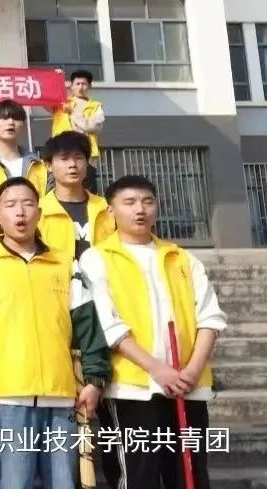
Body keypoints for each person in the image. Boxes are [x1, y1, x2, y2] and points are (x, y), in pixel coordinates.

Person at [0, 177, 110, 489]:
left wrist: (94, 379)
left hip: (62, 396)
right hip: (4, 398)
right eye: (11, 205)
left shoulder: (65, 264)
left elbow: (87, 326)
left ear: (39, 213)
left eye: (27, 204)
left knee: (64, 483)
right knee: (13, 483)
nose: (20, 212)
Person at [81, 175, 227, 489]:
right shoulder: (96, 258)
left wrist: (191, 370)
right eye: (130, 202)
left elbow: (210, 318)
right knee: (138, 476)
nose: (140, 210)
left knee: (190, 475)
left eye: (147, 201)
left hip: (188, 385)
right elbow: (109, 324)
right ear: (111, 211)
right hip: (133, 388)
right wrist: (157, 369)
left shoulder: (181, 258)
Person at [38, 131, 114, 261]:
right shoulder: (39, 211)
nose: (72, 164)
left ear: (87, 163)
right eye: (64, 158)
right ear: (49, 166)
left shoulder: (106, 208)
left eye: (78, 158)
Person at [51, 69, 103, 193]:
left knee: (87, 190)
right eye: (77, 84)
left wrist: (73, 113)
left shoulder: (95, 106)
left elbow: (93, 126)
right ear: (71, 86)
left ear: (89, 86)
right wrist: (55, 79)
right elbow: (46, 100)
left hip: (86, 154)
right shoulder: (62, 102)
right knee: (58, 190)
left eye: (83, 84)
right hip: (61, 152)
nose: (80, 87)